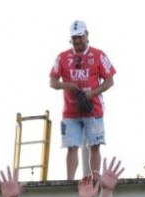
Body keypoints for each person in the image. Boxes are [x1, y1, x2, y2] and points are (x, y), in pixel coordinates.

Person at [49, 19, 115, 180]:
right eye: (74, 37)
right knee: (71, 147)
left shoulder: (99, 55)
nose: (77, 40)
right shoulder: (62, 57)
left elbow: (109, 81)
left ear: (86, 36)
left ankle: (95, 178)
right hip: (70, 111)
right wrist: (69, 85)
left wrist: (92, 93)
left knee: (95, 145)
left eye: (80, 36)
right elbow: (53, 82)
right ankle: (70, 181)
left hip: (94, 108)